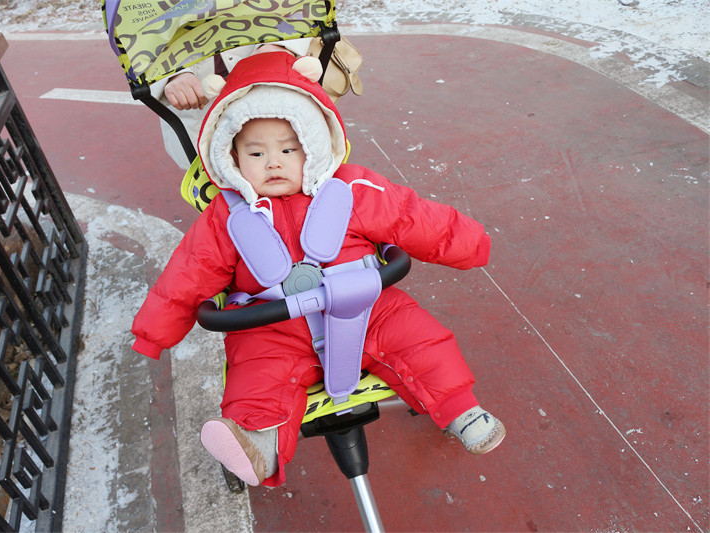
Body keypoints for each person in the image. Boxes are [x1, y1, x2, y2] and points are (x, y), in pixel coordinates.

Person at [131, 51, 506, 488]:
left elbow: (412, 217)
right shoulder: (224, 217)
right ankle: (258, 444)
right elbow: (188, 274)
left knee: (419, 339)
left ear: (313, 144)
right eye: (256, 152)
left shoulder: (352, 188)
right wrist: (153, 333)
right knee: (256, 376)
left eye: (288, 149)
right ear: (231, 158)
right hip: (272, 326)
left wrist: (470, 243)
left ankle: (459, 407)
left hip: (368, 307)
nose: (274, 162)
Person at [150, 40, 310, 169]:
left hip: (264, 59)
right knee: (214, 189)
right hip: (194, 96)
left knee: (291, 167)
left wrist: (280, 42)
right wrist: (170, 72)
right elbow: (133, 22)